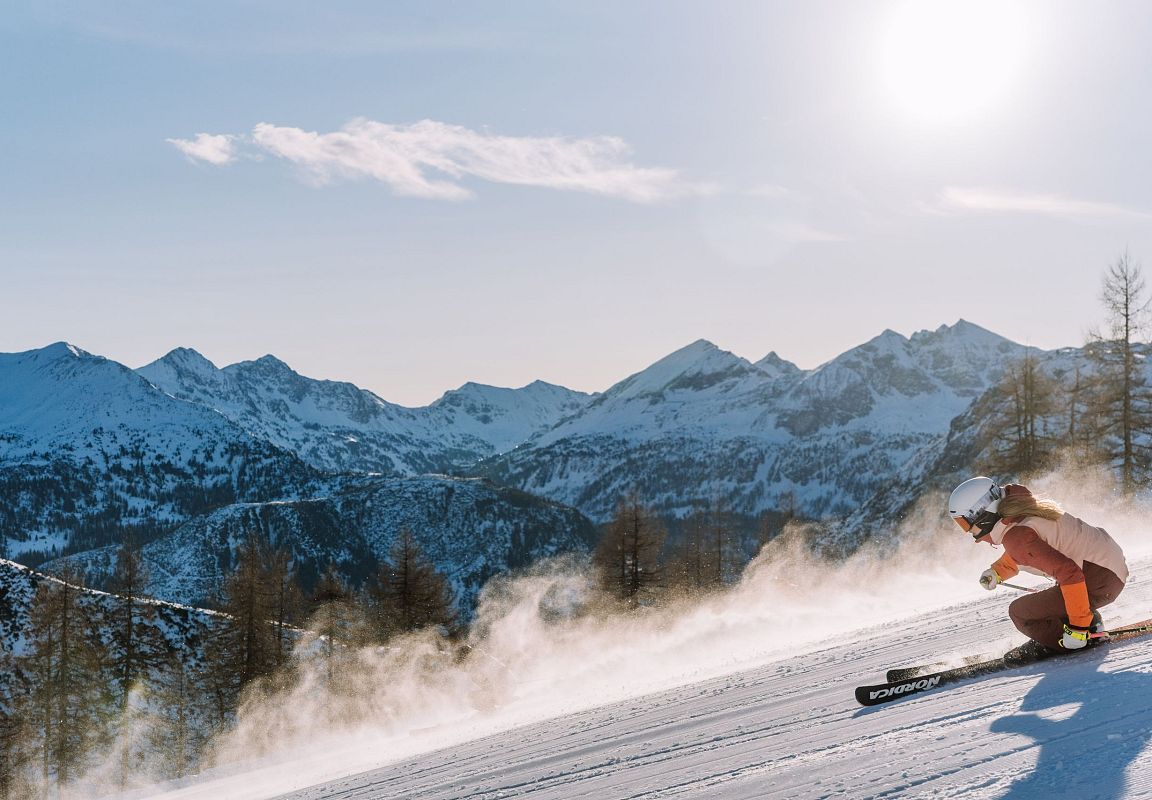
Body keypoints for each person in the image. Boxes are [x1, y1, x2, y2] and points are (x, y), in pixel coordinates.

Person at [947, 477, 1129, 659]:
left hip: (1099, 581)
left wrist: (1078, 629)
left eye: (966, 524)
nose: (973, 535)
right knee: (1053, 597)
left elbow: (1070, 575)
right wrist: (998, 572)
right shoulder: (1022, 513)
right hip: (1107, 567)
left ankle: (1071, 641)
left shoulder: (1017, 536)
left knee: (1021, 613)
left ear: (984, 515)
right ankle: (1088, 623)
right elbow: (1032, 549)